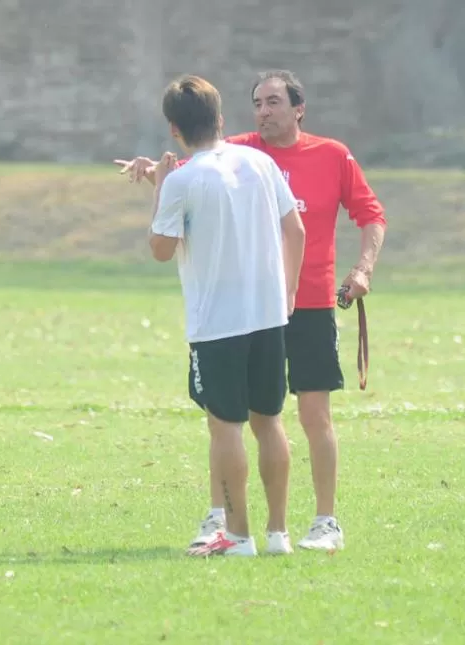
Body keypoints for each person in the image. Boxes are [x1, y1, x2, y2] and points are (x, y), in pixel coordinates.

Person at [118, 69, 386, 552]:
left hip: (283, 307)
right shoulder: (251, 156)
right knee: (259, 419)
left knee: (277, 419)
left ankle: (303, 525)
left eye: (273, 102)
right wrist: (158, 169)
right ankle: (246, 524)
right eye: (257, 103)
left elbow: (370, 215)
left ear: (298, 108)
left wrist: (362, 270)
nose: (263, 111)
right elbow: (206, 173)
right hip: (266, 311)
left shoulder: (331, 155)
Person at [145, 73, 307, 557]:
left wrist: (158, 189)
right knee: (271, 421)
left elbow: (160, 249)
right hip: (268, 313)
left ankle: (237, 535)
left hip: (218, 322)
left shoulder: (181, 180)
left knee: (226, 427)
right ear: (220, 119)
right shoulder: (260, 162)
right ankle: (278, 534)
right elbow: (295, 229)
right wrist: (289, 292)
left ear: (175, 130)